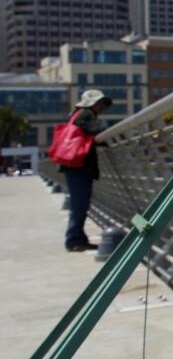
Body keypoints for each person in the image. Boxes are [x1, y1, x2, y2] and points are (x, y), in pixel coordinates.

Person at [60, 89, 112, 252]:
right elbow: (95, 131)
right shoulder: (85, 114)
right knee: (80, 203)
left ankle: (79, 238)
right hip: (78, 166)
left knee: (80, 203)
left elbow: (87, 136)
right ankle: (73, 240)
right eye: (100, 103)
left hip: (75, 165)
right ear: (92, 103)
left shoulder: (78, 114)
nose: (102, 107)